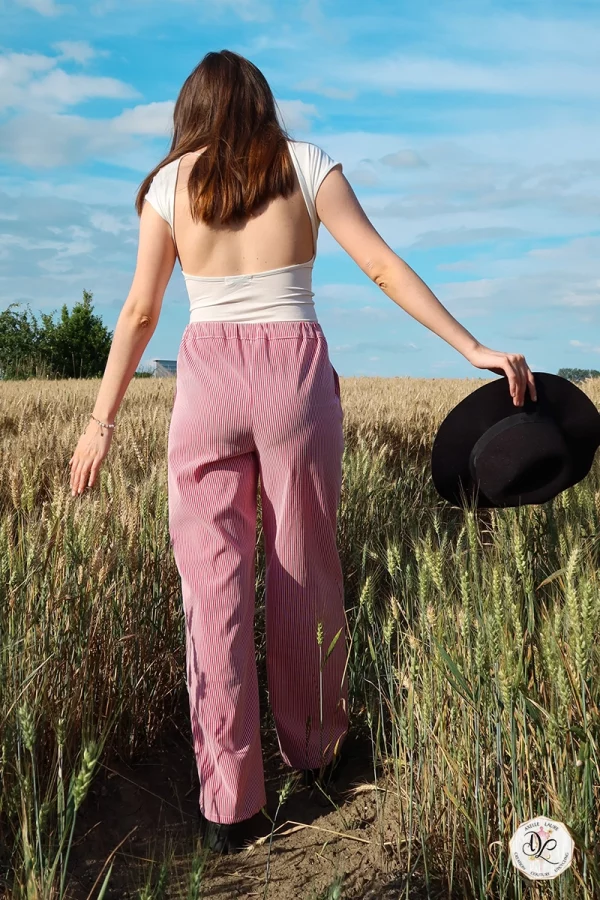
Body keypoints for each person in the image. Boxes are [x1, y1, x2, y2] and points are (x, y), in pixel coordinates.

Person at [68, 49, 536, 852]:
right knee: (304, 566)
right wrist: (470, 346)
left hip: (206, 378)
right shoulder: (308, 165)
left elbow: (141, 311)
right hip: (294, 377)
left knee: (209, 590)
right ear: (261, 101)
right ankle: (315, 754)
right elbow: (383, 267)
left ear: (190, 110)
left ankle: (231, 807)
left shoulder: (170, 185)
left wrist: (100, 422)